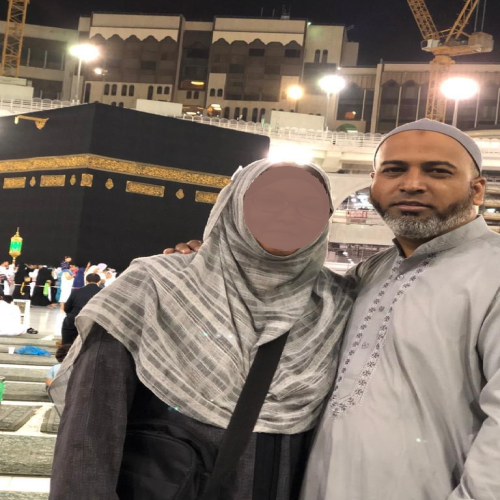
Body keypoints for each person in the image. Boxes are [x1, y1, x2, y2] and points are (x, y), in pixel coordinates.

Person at [167, 119, 500, 500]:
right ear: (374, 183)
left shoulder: (492, 272)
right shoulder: (366, 275)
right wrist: (214, 265)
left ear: (476, 189)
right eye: (394, 170)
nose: (411, 183)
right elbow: (270, 292)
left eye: (437, 171)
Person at [47, 160, 355, 500]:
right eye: (269, 200)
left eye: (310, 205)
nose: (290, 215)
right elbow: (90, 427)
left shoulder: (337, 302)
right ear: (234, 206)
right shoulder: (154, 286)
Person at [61, 273, 102, 345]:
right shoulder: (103, 293)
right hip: (93, 322)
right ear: (99, 281)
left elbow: (67, 308)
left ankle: (66, 348)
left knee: (68, 343)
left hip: (74, 320)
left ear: (86, 281)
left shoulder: (76, 291)